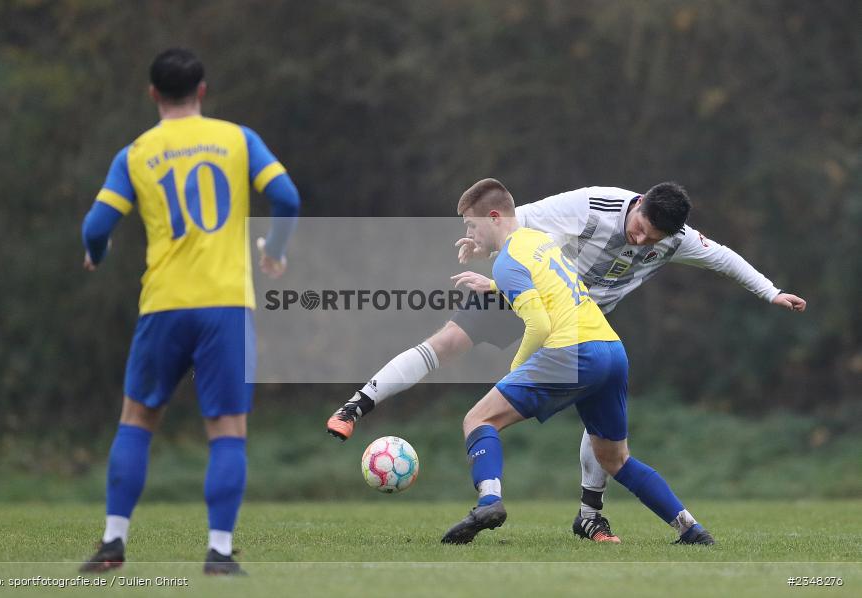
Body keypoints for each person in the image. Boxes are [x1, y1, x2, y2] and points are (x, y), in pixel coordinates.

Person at [327, 181, 805, 543]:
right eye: (640, 228)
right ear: (637, 204)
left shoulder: (675, 239)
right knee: (448, 342)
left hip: (573, 322)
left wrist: (771, 292)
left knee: (549, 422)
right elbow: (515, 218)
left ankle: (586, 513)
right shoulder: (594, 204)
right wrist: (484, 241)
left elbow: (723, 258)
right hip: (528, 293)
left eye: (653, 238)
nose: (642, 241)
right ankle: (357, 405)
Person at [79, 48, 300, 575]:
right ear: (202, 90)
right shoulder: (238, 139)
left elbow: (95, 227)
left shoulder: (135, 153)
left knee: (137, 419)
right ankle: (219, 552)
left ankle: (113, 543)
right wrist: (274, 251)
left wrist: (96, 253)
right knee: (227, 429)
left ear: (153, 94)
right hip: (225, 306)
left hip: (164, 305)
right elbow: (287, 198)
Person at [440, 178, 714, 546]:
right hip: (610, 349)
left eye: (471, 225)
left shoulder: (506, 261)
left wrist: (516, 369)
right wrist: (492, 286)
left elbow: (539, 325)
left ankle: (489, 502)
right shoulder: (540, 242)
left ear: (493, 218)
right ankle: (691, 529)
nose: (470, 235)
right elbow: (554, 283)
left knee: (478, 419)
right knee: (615, 459)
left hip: (573, 352)